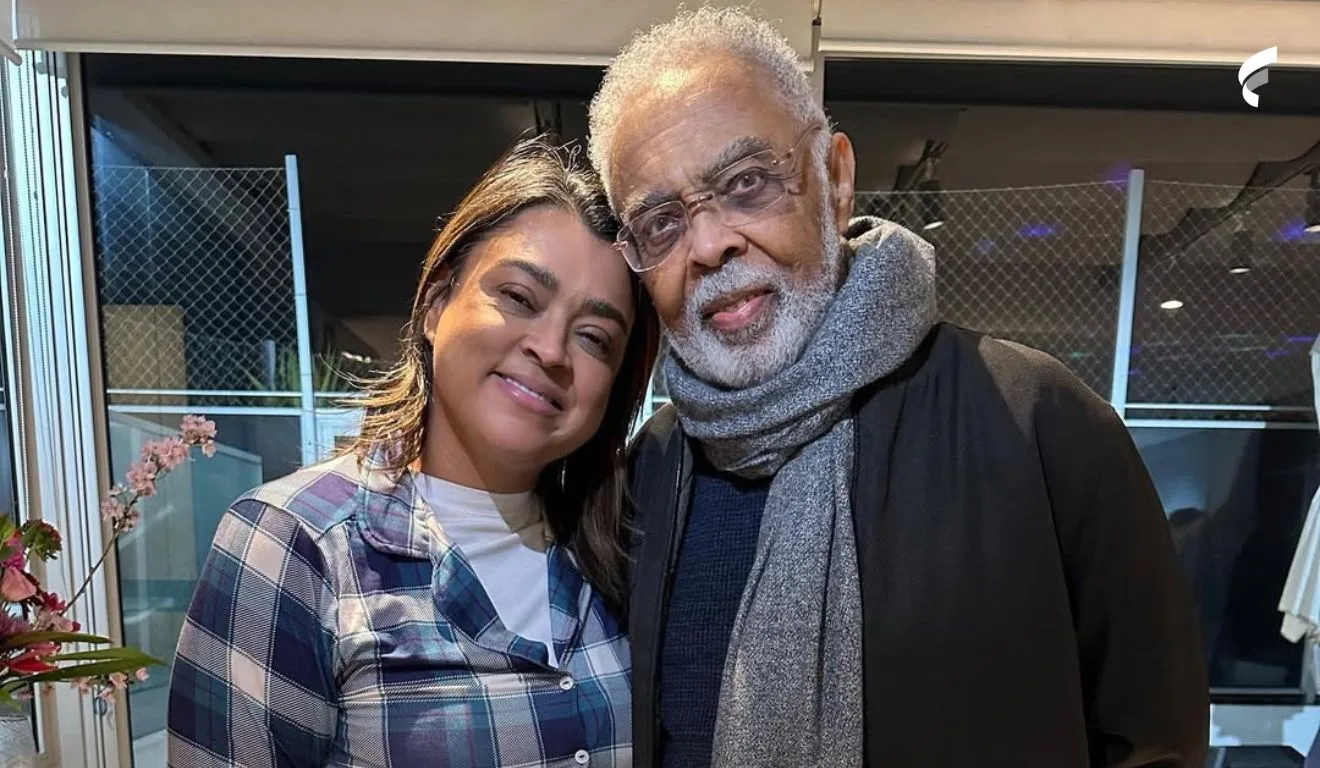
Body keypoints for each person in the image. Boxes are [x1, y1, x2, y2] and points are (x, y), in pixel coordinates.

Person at [587, 7, 1209, 767]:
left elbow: (1155, 744)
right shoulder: (647, 477)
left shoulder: (1037, 424)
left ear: (836, 179)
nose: (711, 243)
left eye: (747, 182)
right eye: (660, 221)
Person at [166, 136, 659, 767]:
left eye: (594, 337)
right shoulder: (295, 543)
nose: (551, 348)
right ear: (435, 307)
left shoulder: (615, 550)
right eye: (518, 298)